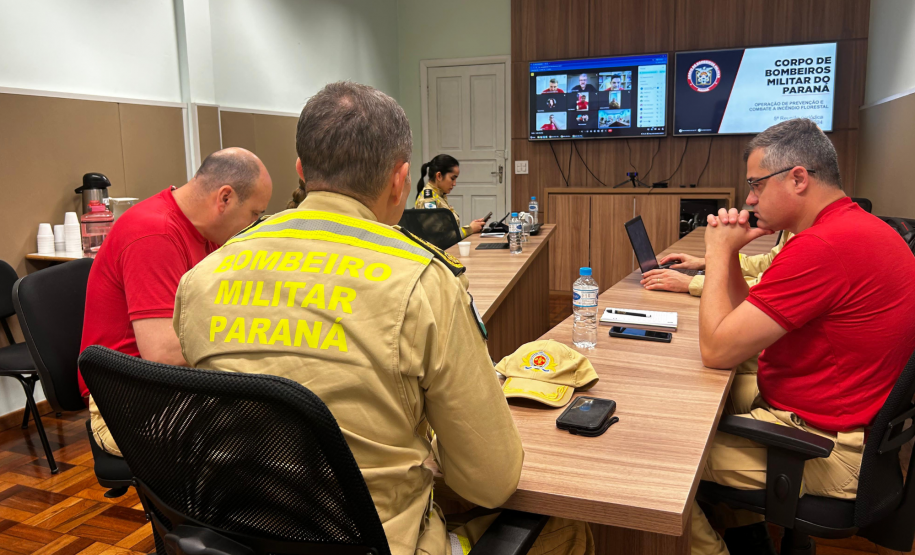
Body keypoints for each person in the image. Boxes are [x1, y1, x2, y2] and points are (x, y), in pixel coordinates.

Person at [172, 82, 592, 555]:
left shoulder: (201, 278)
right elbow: (490, 481)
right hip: (381, 542)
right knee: (564, 530)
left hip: (242, 535)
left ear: (301, 171)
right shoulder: (423, 279)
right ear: (400, 178)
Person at [693, 118, 915, 555]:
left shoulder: (823, 248)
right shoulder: (858, 229)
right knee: (700, 405)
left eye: (755, 185)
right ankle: (750, 537)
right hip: (844, 424)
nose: (750, 199)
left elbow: (717, 350)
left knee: (663, 459)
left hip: (824, 451)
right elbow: (742, 325)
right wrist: (731, 255)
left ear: (797, 178)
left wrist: (716, 251)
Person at [81, 148, 273, 457]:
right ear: (224, 199)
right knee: (265, 431)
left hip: (167, 389)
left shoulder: (206, 231)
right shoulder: (153, 234)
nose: (254, 224)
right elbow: (164, 355)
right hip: (126, 405)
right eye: (254, 214)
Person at [640, 231, 793, 414]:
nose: (752, 201)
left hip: (779, 390)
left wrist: (698, 276)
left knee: (680, 391)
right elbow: (769, 263)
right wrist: (709, 262)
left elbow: (761, 290)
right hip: (773, 371)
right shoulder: (803, 230)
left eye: (760, 199)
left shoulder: (813, 245)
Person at [414, 154, 486, 238]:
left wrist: (472, 227)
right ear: (439, 176)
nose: (454, 183)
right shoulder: (429, 200)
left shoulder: (438, 195)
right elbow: (439, 239)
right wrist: (470, 229)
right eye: (452, 178)